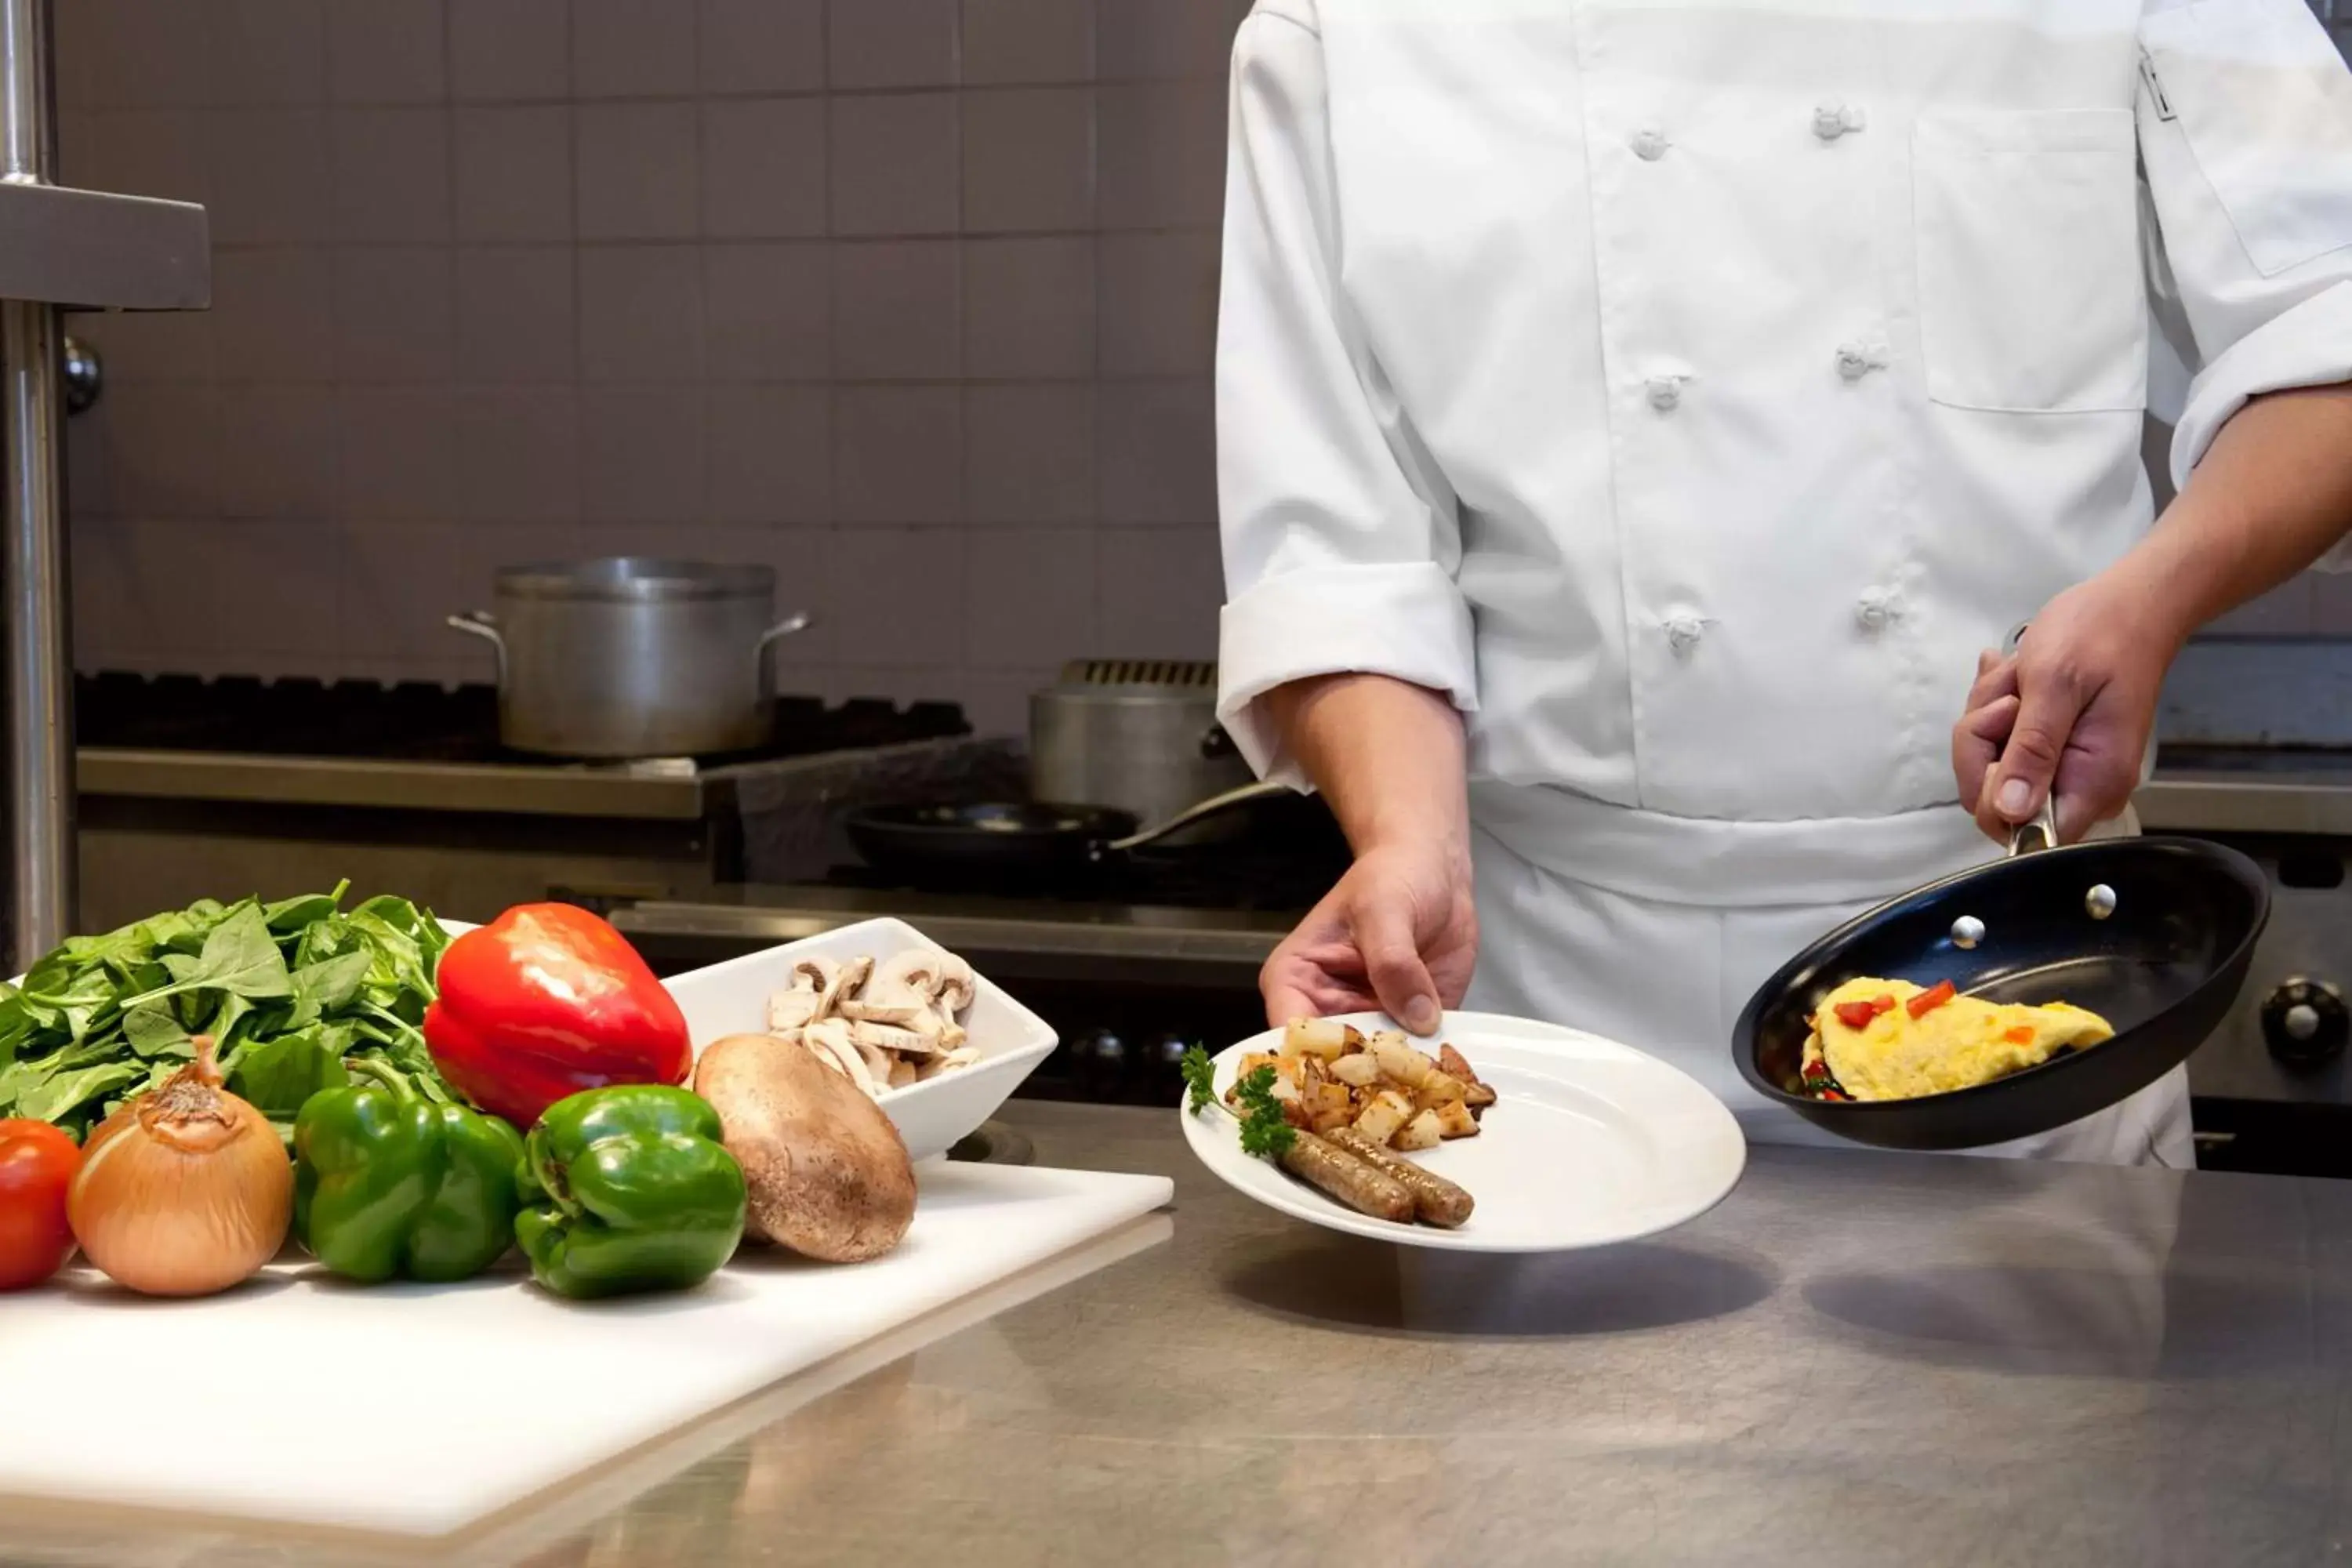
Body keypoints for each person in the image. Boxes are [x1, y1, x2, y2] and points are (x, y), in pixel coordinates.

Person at [1214, 0, 2352, 1164]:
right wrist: (1410, 841)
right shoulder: (1348, 26)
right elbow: (1338, 545)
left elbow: (2334, 334)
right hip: (1549, 1004)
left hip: (2018, 970)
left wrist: (2151, 596)